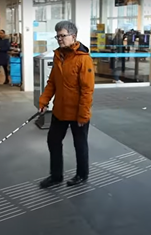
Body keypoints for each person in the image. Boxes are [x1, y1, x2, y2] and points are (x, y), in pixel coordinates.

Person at [38, 21, 95, 188]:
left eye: (62, 35)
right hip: (60, 110)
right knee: (53, 141)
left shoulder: (83, 60)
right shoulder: (59, 56)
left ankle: (82, 175)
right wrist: (43, 101)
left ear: (73, 36)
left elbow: (87, 90)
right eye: (57, 36)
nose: (59, 39)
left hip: (78, 112)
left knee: (80, 144)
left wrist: (83, 115)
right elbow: (52, 83)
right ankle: (56, 176)